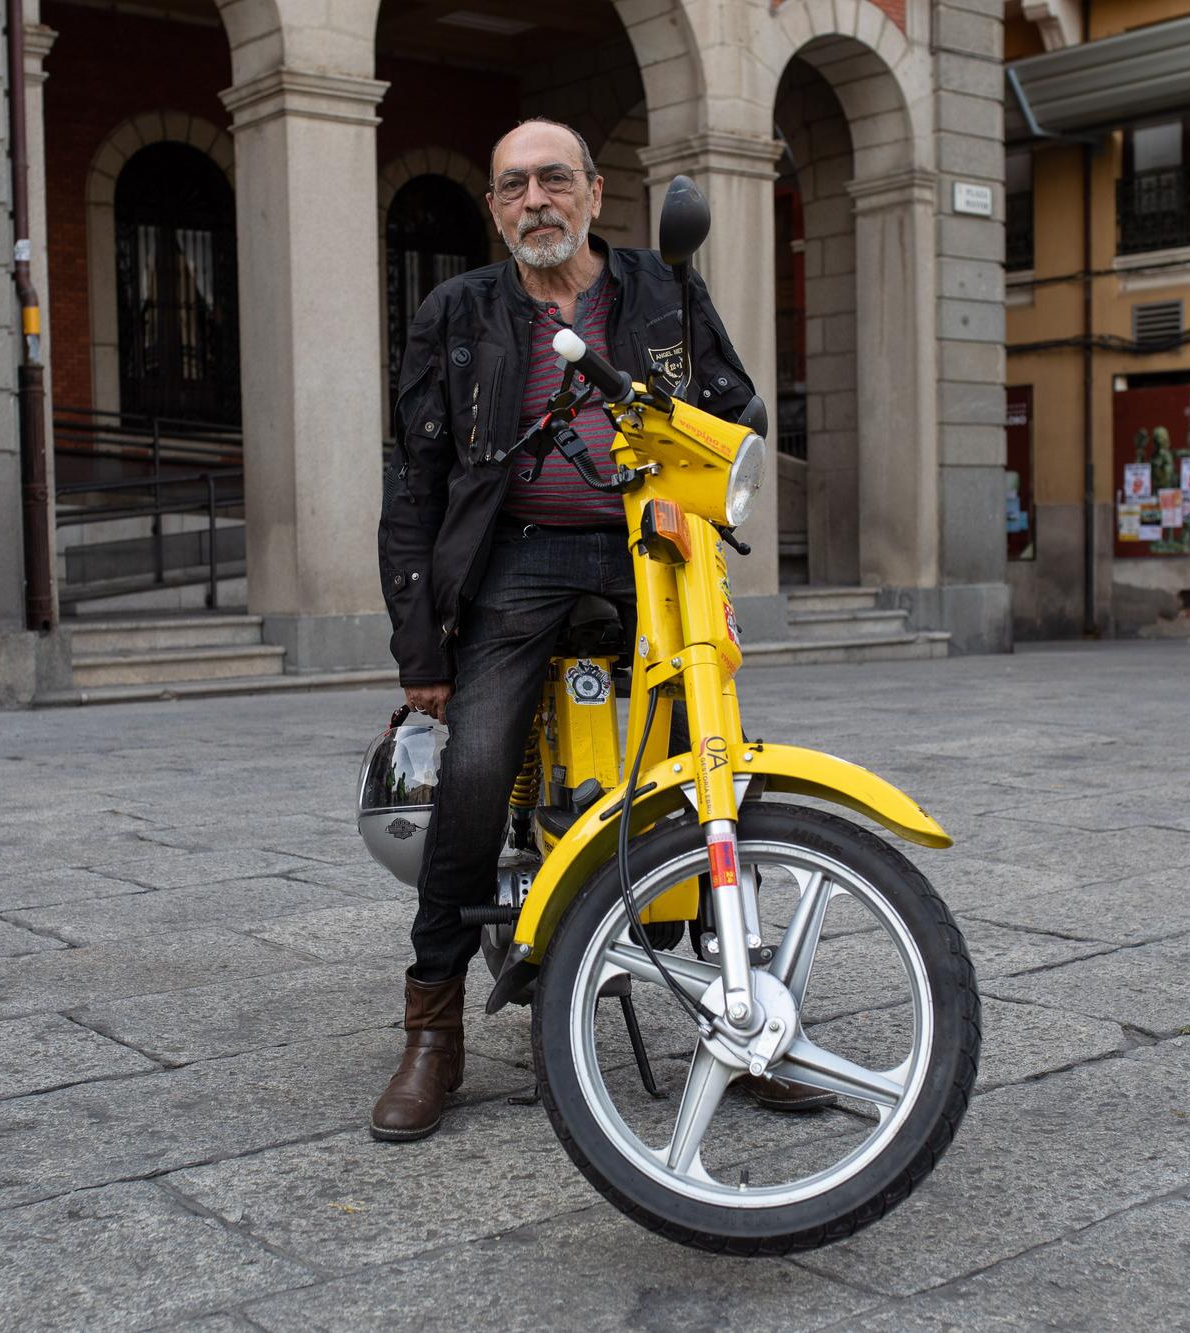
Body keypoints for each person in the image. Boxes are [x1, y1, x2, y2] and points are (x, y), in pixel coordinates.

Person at [372, 118, 819, 1141]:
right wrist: (420, 648)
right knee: (476, 765)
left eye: (553, 179)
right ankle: (431, 1022)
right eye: (513, 185)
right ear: (494, 207)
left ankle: (733, 1003)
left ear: (593, 193)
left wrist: (700, 511)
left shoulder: (663, 292)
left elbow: (735, 414)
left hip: (646, 547)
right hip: (514, 554)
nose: (535, 199)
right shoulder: (457, 311)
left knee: (706, 762)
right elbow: (416, 480)